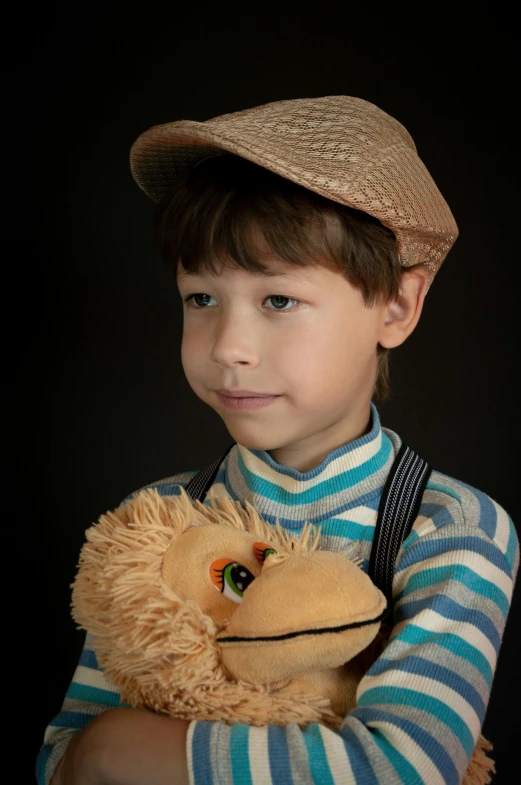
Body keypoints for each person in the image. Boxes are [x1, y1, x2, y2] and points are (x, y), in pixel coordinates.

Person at [37, 96, 518, 785]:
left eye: (278, 300)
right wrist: (93, 747)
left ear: (396, 307)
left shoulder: (447, 528)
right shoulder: (155, 519)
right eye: (201, 298)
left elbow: (401, 769)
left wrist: (119, 747)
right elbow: (63, 757)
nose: (229, 347)